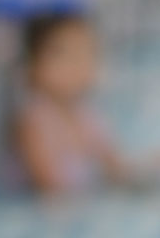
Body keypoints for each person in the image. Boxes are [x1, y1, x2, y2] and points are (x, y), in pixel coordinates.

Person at [13, 11, 147, 196]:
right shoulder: (33, 123)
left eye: (86, 53)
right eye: (66, 55)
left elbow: (117, 169)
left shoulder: (87, 118)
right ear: (34, 65)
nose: (79, 65)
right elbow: (50, 188)